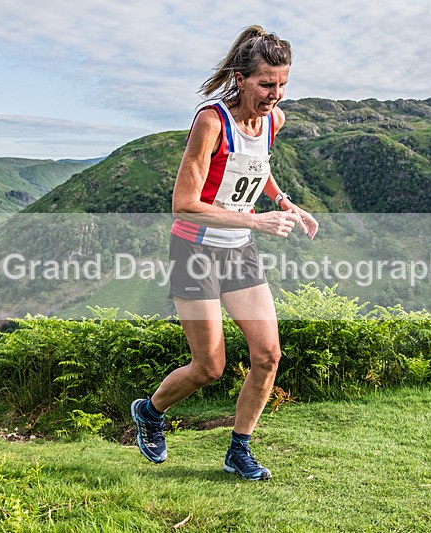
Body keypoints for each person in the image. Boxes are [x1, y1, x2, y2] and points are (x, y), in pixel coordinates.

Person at [130, 25, 318, 481]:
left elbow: (257, 168)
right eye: (265, 84)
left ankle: (239, 450)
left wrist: (283, 201)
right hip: (194, 249)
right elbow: (185, 203)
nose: (275, 94)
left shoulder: (275, 120)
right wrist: (256, 220)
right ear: (240, 77)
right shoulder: (211, 121)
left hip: (239, 251)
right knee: (210, 366)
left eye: (282, 84)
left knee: (268, 355)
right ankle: (151, 412)